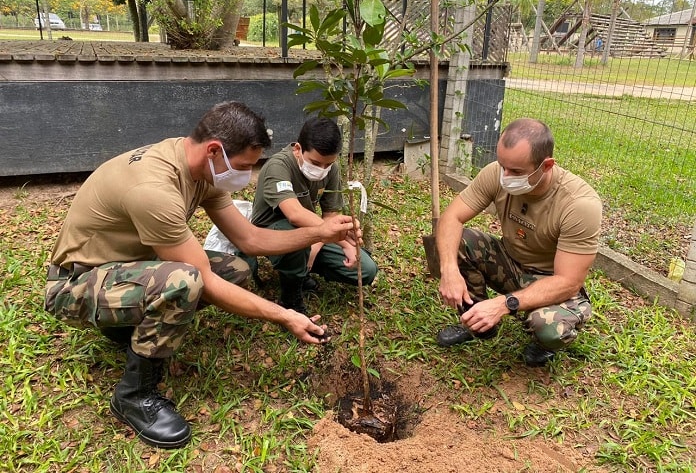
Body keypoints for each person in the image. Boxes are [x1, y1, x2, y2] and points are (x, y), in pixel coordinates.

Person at [44, 101, 359, 449]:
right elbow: (202, 278)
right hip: (76, 283)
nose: (247, 177)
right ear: (214, 150)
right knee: (185, 281)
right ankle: (134, 395)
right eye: (243, 166)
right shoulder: (153, 190)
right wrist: (285, 315)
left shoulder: (197, 166)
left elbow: (249, 239)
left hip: (125, 267)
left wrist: (319, 233)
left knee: (235, 269)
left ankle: (125, 326)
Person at [435, 118, 602, 366]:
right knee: (458, 242)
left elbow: (569, 282)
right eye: (502, 166)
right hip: (510, 262)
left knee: (547, 327)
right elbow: (452, 217)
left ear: (546, 166)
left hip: (550, 279)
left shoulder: (579, 205)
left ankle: (543, 344)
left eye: (516, 172)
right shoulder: (496, 173)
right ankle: (477, 322)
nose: (505, 177)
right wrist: (448, 269)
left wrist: (504, 304)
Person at [249, 117, 378, 314]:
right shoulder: (278, 167)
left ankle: (301, 271)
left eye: (328, 164)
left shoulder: (330, 169)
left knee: (366, 269)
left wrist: (316, 246)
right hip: (270, 233)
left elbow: (330, 216)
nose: (322, 170)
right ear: (298, 149)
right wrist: (343, 241)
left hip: (311, 232)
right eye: (316, 163)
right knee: (297, 239)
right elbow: (294, 214)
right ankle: (290, 300)